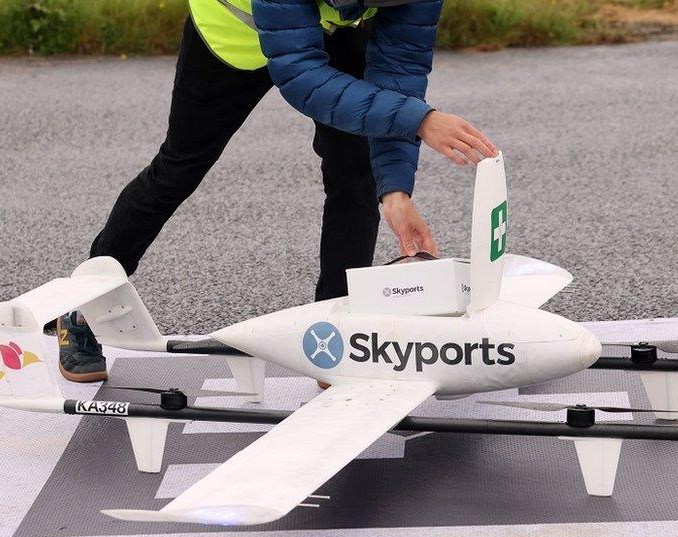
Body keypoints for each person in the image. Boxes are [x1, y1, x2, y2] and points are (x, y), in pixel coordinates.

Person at [57, 0, 498, 382]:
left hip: (331, 28)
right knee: (179, 168)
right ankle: (82, 309)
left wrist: (395, 192)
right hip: (235, 34)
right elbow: (303, 78)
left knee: (356, 175)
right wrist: (420, 120)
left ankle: (334, 333)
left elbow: (398, 76)